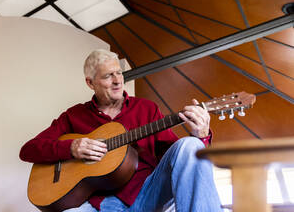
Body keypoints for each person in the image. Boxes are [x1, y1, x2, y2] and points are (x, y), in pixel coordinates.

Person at [20, 49, 221, 212]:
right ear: (90, 83)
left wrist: (201, 135)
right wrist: (72, 147)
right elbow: (28, 149)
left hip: (147, 193)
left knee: (190, 145)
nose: (117, 80)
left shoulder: (146, 108)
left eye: (119, 73)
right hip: (98, 204)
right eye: (108, 76)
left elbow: (178, 157)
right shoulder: (73, 116)